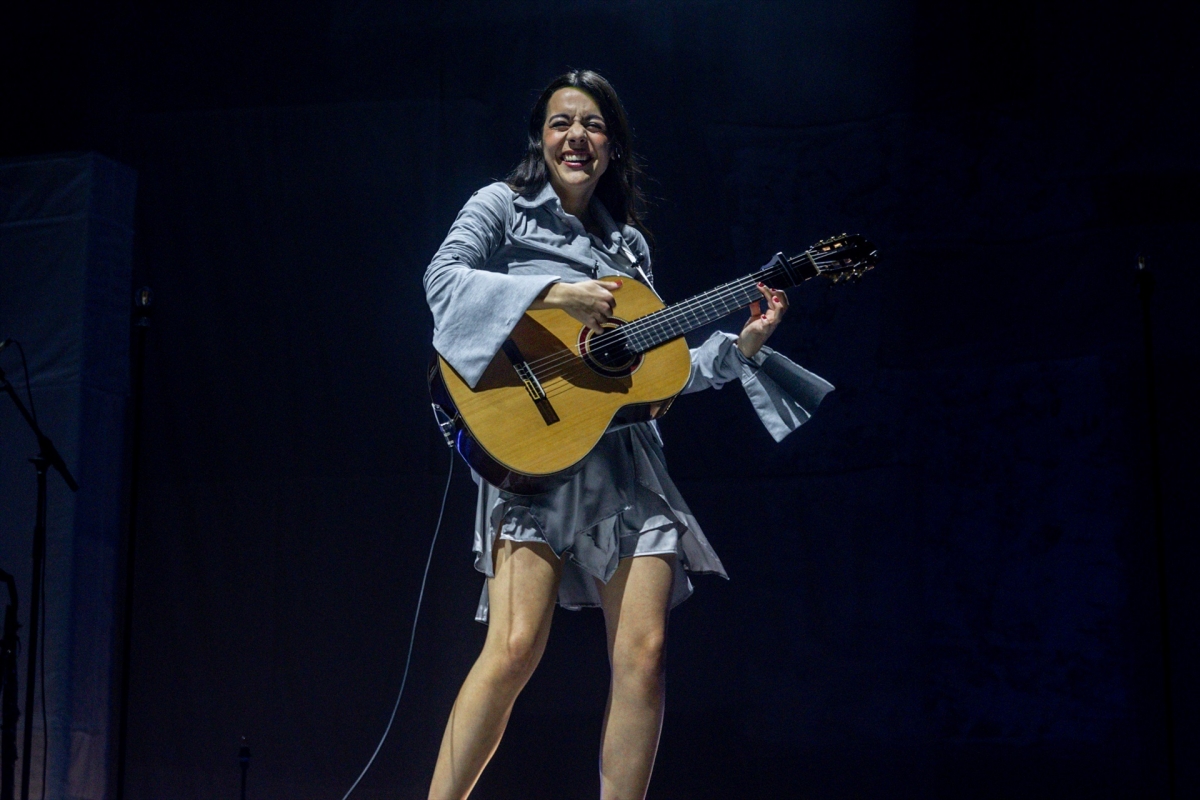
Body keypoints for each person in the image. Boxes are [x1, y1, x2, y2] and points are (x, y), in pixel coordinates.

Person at [423, 69, 833, 800]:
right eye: (561, 123)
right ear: (540, 139)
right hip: (534, 452)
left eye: (593, 126)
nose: (576, 137)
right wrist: (554, 292)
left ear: (612, 147)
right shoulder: (501, 208)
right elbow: (444, 281)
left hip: (626, 467)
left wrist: (741, 347)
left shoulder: (630, 251)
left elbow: (655, 375)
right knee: (514, 651)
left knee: (643, 656)